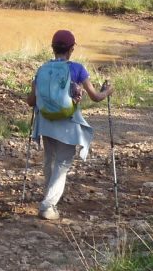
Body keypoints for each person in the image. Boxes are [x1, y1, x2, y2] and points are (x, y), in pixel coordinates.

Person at [24, 29, 113, 221]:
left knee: (50, 160)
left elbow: (31, 101)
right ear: (72, 49)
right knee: (63, 164)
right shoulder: (77, 69)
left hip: (46, 122)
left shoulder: (42, 70)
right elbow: (96, 97)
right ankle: (48, 206)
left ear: (53, 48)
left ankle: (49, 198)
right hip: (67, 124)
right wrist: (107, 91)